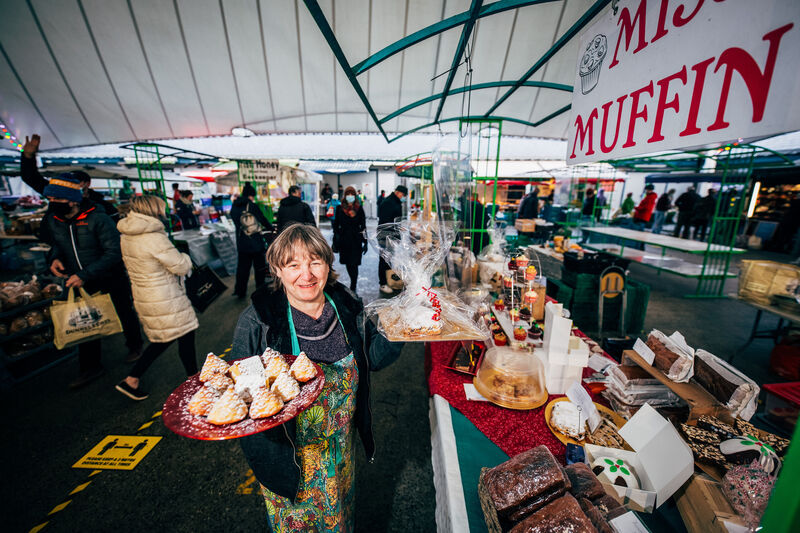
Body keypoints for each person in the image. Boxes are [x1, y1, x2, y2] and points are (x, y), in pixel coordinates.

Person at [232, 224, 403, 531]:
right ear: (277, 270)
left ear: (327, 264)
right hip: (289, 462)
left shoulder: (347, 304)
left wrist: (405, 328)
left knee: (339, 520)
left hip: (340, 453)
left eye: (315, 262)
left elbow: (373, 358)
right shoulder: (259, 320)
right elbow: (242, 397)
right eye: (293, 265)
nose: (306, 275)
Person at [43, 174, 143, 388]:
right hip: (80, 279)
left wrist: (84, 274)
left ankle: (135, 345)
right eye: (50, 200)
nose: (52, 205)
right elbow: (57, 244)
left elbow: (114, 251)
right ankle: (90, 367)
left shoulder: (98, 218)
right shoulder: (54, 221)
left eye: (57, 200)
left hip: (109, 275)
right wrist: (55, 258)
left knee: (123, 310)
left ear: (72, 199)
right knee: (86, 321)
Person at [114, 195, 199, 400]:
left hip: (145, 293)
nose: (164, 210)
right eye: (161, 207)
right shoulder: (152, 236)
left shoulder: (127, 233)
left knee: (172, 336)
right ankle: (133, 379)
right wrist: (186, 257)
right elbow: (179, 265)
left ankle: (192, 379)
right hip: (164, 295)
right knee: (177, 335)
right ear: (154, 209)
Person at [230, 183, 274, 298]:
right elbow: (262, 219)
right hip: (255, 242)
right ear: (250, 195)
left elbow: (235, 222)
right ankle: (260, 290)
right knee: (259, 267)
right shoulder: (251, 205)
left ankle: (240, 291)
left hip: (242, 242)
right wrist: (271, 228)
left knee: (242, 268)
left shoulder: (234, 206)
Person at [332, 187, 367, 292]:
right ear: (345, 196)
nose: (350, 196)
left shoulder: (359, 208)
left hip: (356, 240)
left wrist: (365, 242)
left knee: (354, 263)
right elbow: (336, 225)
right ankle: (353, 282)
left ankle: (353, 284)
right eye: (348, 194)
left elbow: (363, 226)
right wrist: (336, 238)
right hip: (344, 240)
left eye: (352, 194)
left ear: (355, 196)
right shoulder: (340, 208)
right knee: (348, 263)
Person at [377, 185, 407, 294]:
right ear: (398, 192)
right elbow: (385, 221)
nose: (403, 197)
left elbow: (394, 219)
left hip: (391, 234)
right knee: (384, 259)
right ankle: (383, 283)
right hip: (386, 235)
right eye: (403, 195)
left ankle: (388, 280)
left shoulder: (394, 201)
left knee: (389, 259)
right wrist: (396, 228)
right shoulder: (388, 203)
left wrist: (398, 227)